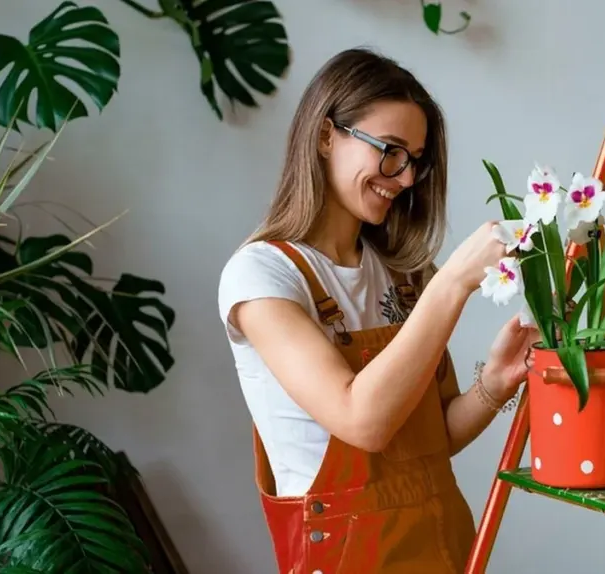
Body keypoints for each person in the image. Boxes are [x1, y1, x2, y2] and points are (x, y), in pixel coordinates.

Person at [217, 47, 537, 574]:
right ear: (326, 136)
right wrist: (453, 283)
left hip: (443, 546)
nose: (406, 178)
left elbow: (434, 439)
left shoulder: (404, 274)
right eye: (391, 151)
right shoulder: (261, 276)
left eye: (415, 159)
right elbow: (362, 421)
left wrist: (496, 382)